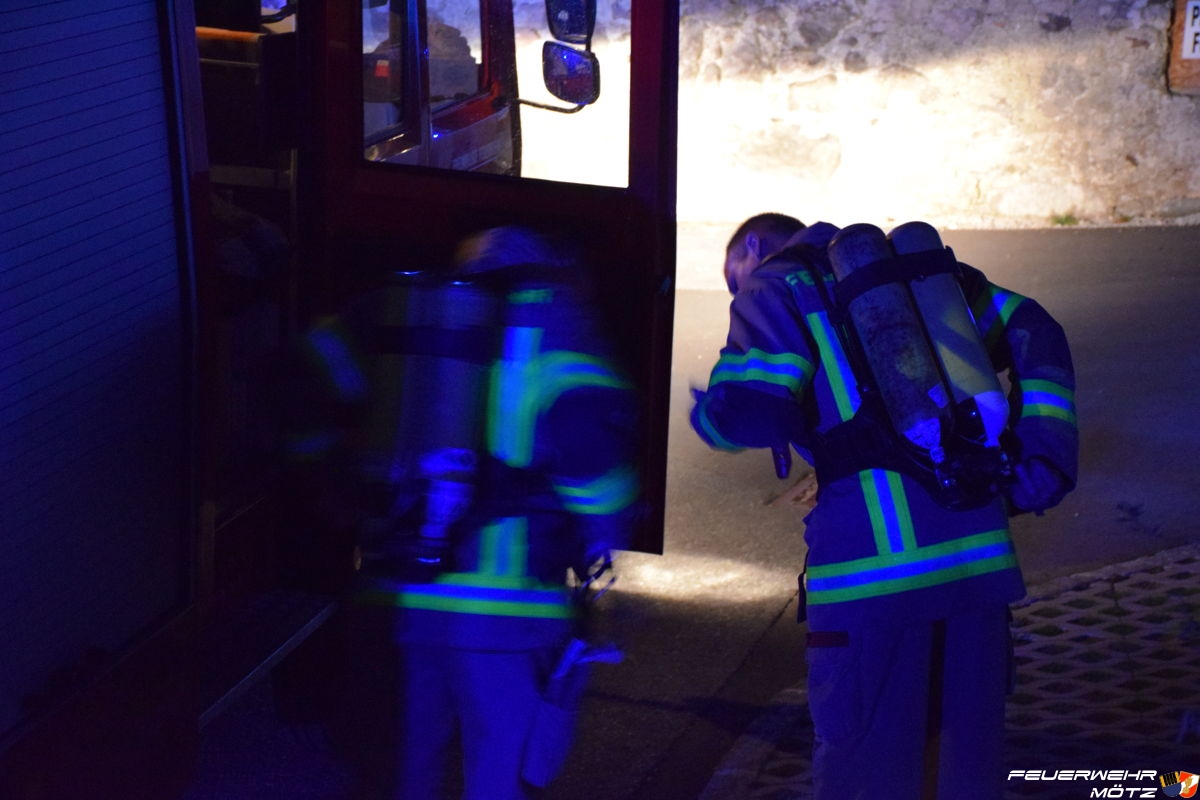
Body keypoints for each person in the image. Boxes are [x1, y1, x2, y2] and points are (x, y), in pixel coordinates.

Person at [690, 213, 1078, 799]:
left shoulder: (774, 285)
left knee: (867, 773)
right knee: (964, 771)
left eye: (731, 279)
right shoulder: (916, 271)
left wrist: (708, 413)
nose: (734, 292)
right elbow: (1034, 327)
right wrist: (1045, 450)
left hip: (871, 587)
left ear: (751, 246)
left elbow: (753, 410)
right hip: (978, 569)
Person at [352, 226, 641, 800]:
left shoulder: (424, 322)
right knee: (499, 767)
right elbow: (598, 482)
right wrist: (606, 529)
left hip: (411, 594)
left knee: (412, 762)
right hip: (504, 613)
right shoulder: (558, 337)